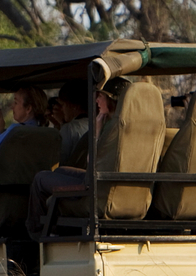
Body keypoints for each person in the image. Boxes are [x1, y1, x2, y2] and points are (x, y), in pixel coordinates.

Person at [26, 78, 126, 239]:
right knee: (60, 170)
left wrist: (97, 131)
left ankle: (38, 235)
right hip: (106, 181)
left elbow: (92, 160)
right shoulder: (123, 124)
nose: (96, 100)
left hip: (95, 185)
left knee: (40, 179)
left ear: (111, 100)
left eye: (100, 96)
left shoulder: (110, 128)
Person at [0, 87, 47, 155]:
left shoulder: (16, 131)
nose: (12, 107)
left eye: (16, 103)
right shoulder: (42, 132)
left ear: (28, 108)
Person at [55, 81, 91, 169]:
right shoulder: (97, 124)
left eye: (63, 105)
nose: (62, 109)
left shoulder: (69, 129)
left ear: (73, 105)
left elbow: (59, 161)